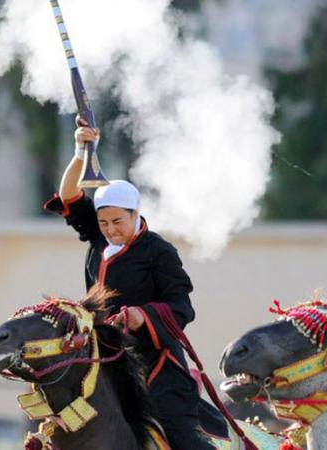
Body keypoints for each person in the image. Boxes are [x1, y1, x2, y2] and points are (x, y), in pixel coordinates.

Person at [44, 119, 217, 449]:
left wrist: (142, 316)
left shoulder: (159, 252)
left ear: (135, 214)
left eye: (117, 221)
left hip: (156, 365)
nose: (109, 229)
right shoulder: (97, 237)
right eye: (104, 222)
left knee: (181, 437)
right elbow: (68, 193)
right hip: (104, 358)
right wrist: (81, 150)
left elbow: (181, 305)